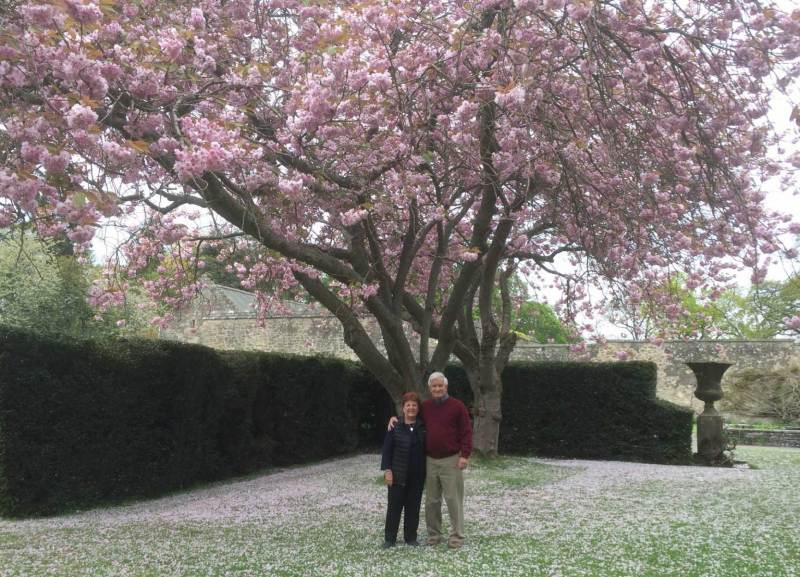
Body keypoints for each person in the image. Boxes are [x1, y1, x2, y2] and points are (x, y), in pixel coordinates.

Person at [389, 372, 472, 549]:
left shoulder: (457, 406)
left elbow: (466, 431)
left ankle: (457, 536)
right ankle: (434, 535)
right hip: (430, 460)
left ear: (446, 387)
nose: (437, 389)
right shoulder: (425, 407)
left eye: (440, 385)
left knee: (453, 499)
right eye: (434, 386)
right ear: (430, 388)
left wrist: (464, 455)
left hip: (451, 459)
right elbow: (410, 418)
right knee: (432, 501)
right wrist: (395, 419)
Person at [380, 392, 426, 548]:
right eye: (408, 405)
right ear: (403, 408)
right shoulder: (395, 426)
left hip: (417, 475)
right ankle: (390, 538)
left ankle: (410, 537)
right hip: (397, 474)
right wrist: (387, 471)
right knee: (394, 507)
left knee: (413, 507)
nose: (411, 408)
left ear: (418, 408)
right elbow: (387, 450)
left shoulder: (423, 426)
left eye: (414, 405)